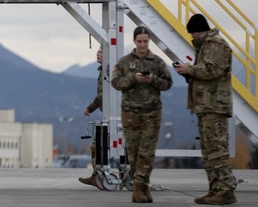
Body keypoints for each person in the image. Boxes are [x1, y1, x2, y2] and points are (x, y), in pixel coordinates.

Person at [175, 14, 237, 205]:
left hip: (214, 106)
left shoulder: (215, 45)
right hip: (206, 105)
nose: (192, 38)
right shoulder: (206, 46)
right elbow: (206, 71)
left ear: (198, 31)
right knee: (209, 150)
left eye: (192, 34)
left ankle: (225, 189)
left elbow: (211, 70)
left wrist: (189, 70)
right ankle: (215, 189)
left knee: (216, 149)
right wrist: (189, 73)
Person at [111, 26, 173, 203]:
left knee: (147, 151)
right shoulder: (124, 62)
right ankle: (141, 186)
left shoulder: (158, 62)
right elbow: (116, 82)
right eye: (140, 41)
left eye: (146, 41)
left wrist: (152, 79)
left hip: (152, 112)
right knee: (134, 151)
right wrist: (133, 78)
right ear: (134, 41)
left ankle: (140, 187)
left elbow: (168, 83)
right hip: (131, 113)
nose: (143, 45)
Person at [79, 47, 104, 187]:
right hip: (110, 114)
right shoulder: (104, 71)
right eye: (97, 52)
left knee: (97, 146)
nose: (97, 54)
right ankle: (98, 175)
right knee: (97, 146)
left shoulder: (107, 72)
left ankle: (98, 175)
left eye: (101, 52)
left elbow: (102, 95)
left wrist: (90, 108)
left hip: (113, 116)